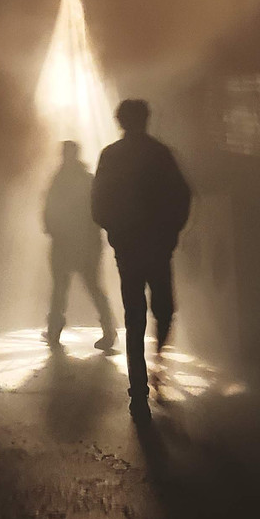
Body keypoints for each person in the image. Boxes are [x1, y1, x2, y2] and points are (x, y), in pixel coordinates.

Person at [92, 100, 191, 422]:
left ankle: (138, 392)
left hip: (129, 248)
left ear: (120, 121)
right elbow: (182, 197)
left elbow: (98, 203)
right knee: (164, 310)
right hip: (158, 246)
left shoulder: (111, 155)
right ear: (147, 119)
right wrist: (171, 233)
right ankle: (158, 366)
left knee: (134, 317)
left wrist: (115, 232)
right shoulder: (161, 154)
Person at [42, 141, 118, 351]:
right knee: (94, 287)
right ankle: (109, 331)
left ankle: (54, 329)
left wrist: (51, 228)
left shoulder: (58, 180)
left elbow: (50, 209)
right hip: (87, 243)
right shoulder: (87, 179)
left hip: (64, 242)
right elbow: (98, 210)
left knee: (60, 288)